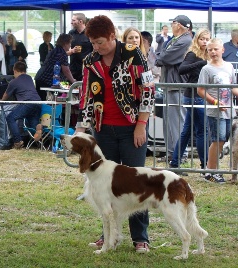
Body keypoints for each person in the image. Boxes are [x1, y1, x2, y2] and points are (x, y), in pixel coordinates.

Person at [75, 15, 155, 253]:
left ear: (112, 36)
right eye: (92, 42)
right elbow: (87, 96)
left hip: (132, 129)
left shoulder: (133, 54)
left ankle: (140, 237)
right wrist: (81, 126)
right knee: (103, 186)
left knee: (135, 183)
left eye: (100, 42)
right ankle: (107, 234)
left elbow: (148, 90)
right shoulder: (90, 60)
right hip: (102, 130)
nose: (96, 47)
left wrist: (141, 123)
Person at [169, 29, 210, 174]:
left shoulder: (207, 54)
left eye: (207, 39)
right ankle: (205, 165)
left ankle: (175, 163)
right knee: (201, 131)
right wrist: (201, 63)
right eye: (202, 39)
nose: (205, 41)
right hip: (193, 96)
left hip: (197, 96)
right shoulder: (193, 54)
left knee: (187, 131)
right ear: (197, 40)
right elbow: (182, 69)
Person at [197, 38, 238, 184]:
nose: (213, 52)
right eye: (210, 50)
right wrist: (215, 102)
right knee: (217, 140)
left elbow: (232, 86)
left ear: (222, 50)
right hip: (214, 111)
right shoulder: (206, 69)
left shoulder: (229, 67)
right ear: (207, 52)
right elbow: (200, 90)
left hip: (228, 111)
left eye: (216, 49)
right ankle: (210, 171)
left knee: (223, 139)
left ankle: (213, 170)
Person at [155, 15, 192, 160]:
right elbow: (161, 54)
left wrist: (161, 57)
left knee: (177, 122)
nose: (171, 25)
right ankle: (172, 152)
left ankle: (180, 154)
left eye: (174, 22)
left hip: (178, 85)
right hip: (169, 84)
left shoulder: (186, 40)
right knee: (169, 121)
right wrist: (161, 56)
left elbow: (165, 57)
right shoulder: (175, 39)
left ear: (181, 25)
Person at [0, 61, 41, 149]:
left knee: (11, 118)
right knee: (32, 122)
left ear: (14, 71)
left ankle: (17, 141)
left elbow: (6, 95)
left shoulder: (14, 81)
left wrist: (1, 101)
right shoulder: (29, 78)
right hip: (37, 102)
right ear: (25, 70)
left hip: (27, 103)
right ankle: (38, 127)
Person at [35, 33, 77, 101]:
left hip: (41, 78)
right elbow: (66, 70)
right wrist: (73, 82)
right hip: (46, 80)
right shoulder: (62, 54)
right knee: (46, 102)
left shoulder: (56, 50)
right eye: (69, 43)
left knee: (42, 101)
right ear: (65, 43)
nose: (70, 45)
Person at [67, 13, 93, 81]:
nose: (71, 22)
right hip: (73, 69)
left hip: (85, 69)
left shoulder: (89, 33)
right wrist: (72, 51)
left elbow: (95, 51)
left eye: (73, 20)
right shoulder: (71, 33)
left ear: (80, 22)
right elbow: (65, 51)